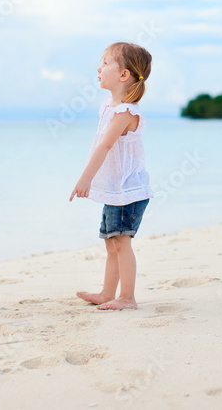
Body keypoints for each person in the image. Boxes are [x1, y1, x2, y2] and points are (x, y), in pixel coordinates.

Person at [70, 42, 153, 310]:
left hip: (128, 191)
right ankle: (108, 292)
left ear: (123, 75)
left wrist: (85, 180)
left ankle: (127, 297)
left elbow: (105, 146)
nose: (99, 68)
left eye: (105, 63)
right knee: (111, 242)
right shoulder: (109, 104)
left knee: (121, 242)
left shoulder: (126, 112)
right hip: (115, 190)